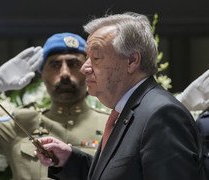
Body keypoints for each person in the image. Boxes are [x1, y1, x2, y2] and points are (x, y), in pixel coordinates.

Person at [36, 12, 205, 180]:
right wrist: (70, 160)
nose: (84, 68)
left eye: (95, 57)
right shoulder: (129, 109)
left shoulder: (161, 115)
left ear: (131, 61)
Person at [0, 32, 109, 180]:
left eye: (73, 64)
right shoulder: (22, 126)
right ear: (42, 75)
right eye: (55, 65)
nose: (64, 73)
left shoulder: (110, 126)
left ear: (88, 70)